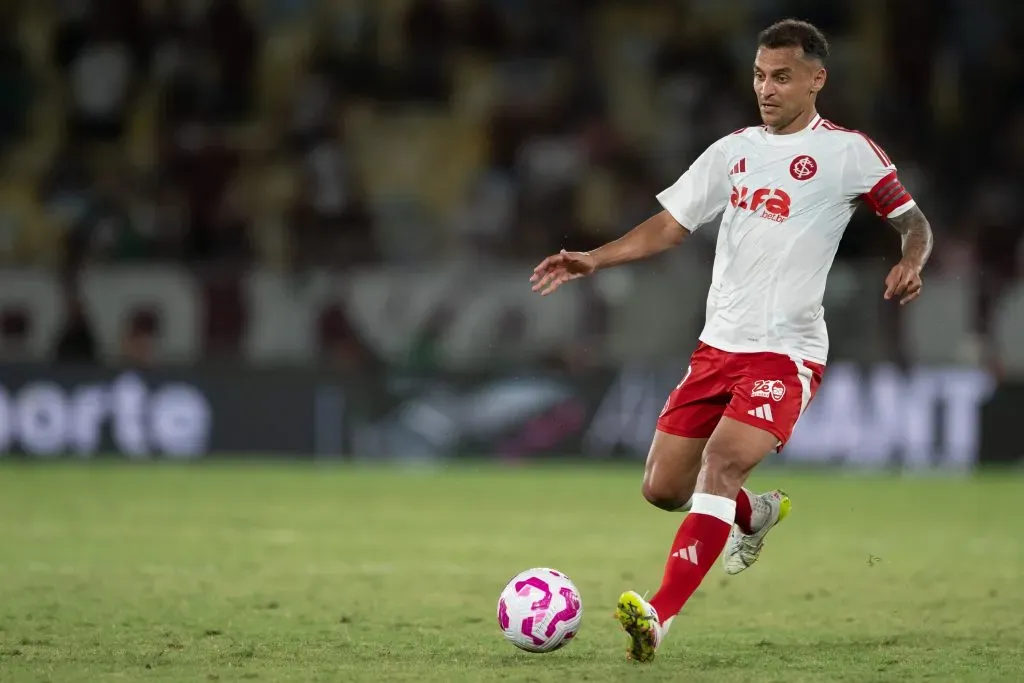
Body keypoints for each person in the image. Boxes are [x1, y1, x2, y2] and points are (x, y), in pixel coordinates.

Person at [529, 19, 933, 663]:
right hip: (718, 348)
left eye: (780, 77)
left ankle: (658, 617)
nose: (765, 89)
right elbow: (670, 226)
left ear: (816, 79)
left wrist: (912, 260)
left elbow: (912, 220)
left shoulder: (849, 151)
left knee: (720, 464)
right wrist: (594, 260)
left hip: (787, 350)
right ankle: (752, 515)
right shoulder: (733, 151)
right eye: (758, 75)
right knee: (662, 488)